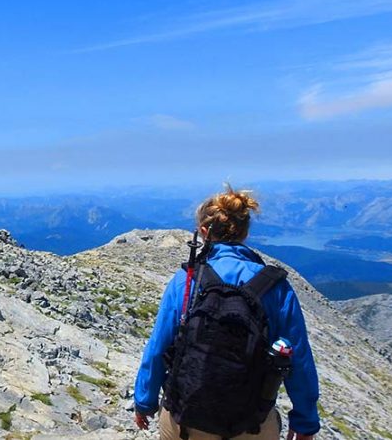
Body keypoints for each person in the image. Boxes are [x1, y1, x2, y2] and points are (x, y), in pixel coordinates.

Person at [133, 186, 320, 439]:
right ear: (245, 232)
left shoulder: (186, 280)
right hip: (250, 424)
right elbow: (298, 359)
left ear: (203, 232)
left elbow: (158, 346)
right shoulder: (276, 288)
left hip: (184, 419)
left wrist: (145, 402)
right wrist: (305, 422)